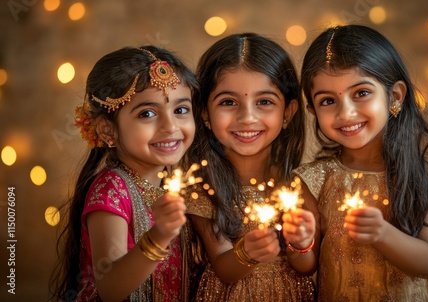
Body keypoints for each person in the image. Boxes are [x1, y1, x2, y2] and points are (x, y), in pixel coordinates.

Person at [294, 24, 428, 301]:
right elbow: (307, 267)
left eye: (361, 93)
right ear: (313, 110)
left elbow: (425, 263)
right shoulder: (313, 181)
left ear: (395, 96)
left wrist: (382, 234)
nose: (346, 113)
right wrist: (300, 245)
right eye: (328, 100)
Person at [50, 46, 200, 301]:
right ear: (108, 130)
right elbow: (111, 287)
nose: (171, 126)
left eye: (181, 110)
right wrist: (159, 235)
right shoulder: (111, 191)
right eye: (147, 114)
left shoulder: (177, 185)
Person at [186, 33, 319, 301]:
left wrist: (300, 244)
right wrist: (247, 253)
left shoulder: (299, 185)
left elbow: (307, 268)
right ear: (204, 113)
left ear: (288, 112)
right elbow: (224, 268)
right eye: (228, 102)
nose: (247, 117)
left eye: (264, 102)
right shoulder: (202, 189)